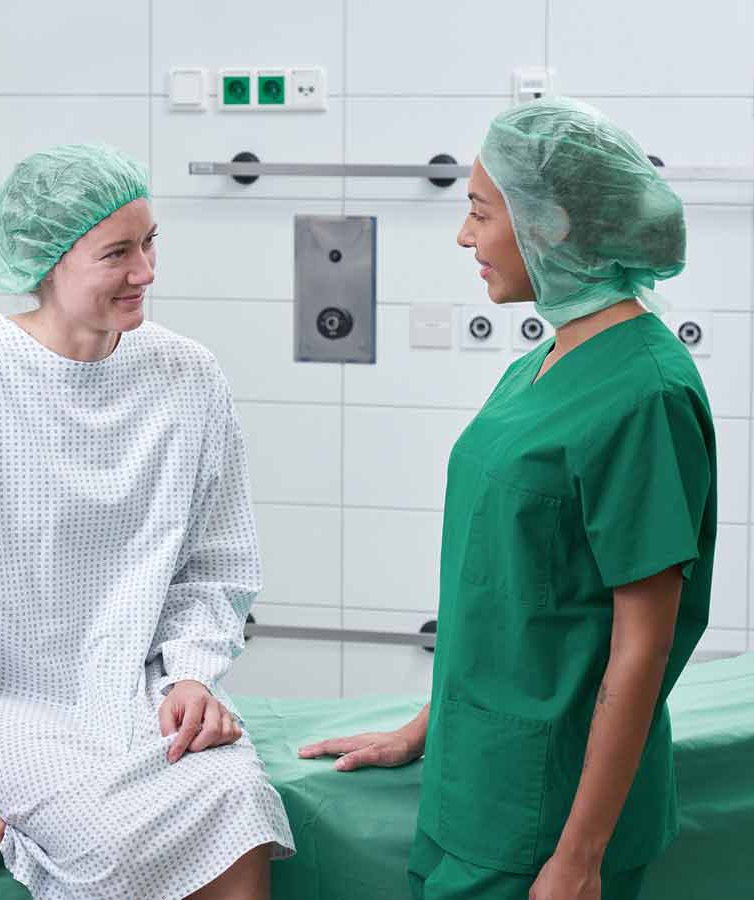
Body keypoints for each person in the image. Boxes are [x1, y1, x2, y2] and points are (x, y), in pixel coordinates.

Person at [0, 144, 294, 900]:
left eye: (150, 243)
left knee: (239, 798)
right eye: (117, 253)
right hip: (12, 703)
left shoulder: (188, 375)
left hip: (144, 690)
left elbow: (214, 563)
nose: (146, 272)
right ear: (48, 261)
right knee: (114, 837)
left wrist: (189, 673)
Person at [299, 98, 716, 900]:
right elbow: (506, 591)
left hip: (547, 811)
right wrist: (424, 730)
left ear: (552, 225)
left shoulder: (645, 395)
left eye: (480, 213)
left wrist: (581, 856)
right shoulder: (542, 362)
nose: (465, 238)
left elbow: (642, 646)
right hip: (474, 778)